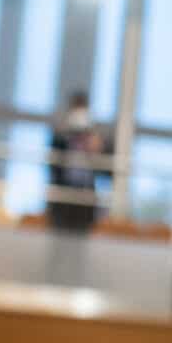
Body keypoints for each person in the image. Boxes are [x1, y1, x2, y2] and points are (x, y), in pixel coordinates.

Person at [47, 90, 111, 235]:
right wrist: (67, 136)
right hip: (62, 200)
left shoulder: (96, 138)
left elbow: (107, 173)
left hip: (85, 198)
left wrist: (96, 148)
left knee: (80, 245)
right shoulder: (60, 137)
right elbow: (52, 165)